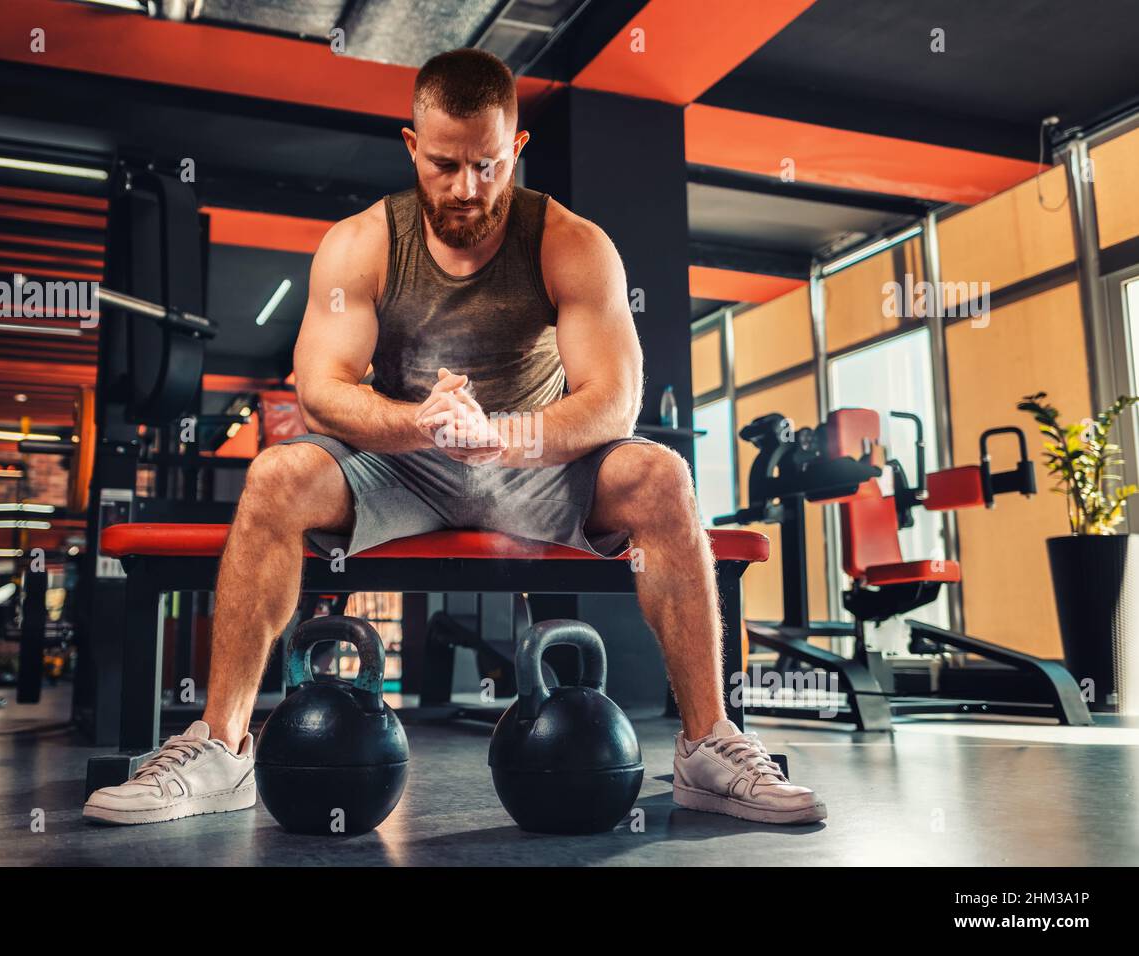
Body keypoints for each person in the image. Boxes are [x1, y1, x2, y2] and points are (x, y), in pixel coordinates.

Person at [84, 48, 826, 828]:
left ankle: (708, 748)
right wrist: (417, 423)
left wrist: (505, 435)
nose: (468, 187)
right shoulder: (362, 243)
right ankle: (222, 747)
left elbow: (614, 402)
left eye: (489, 164)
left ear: (517, 150)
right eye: (445, 164)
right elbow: (320, 389)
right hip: (403, 465)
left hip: (535, 461)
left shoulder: (570, 242)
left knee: (662, 475)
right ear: (412, 146)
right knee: (275, 476)